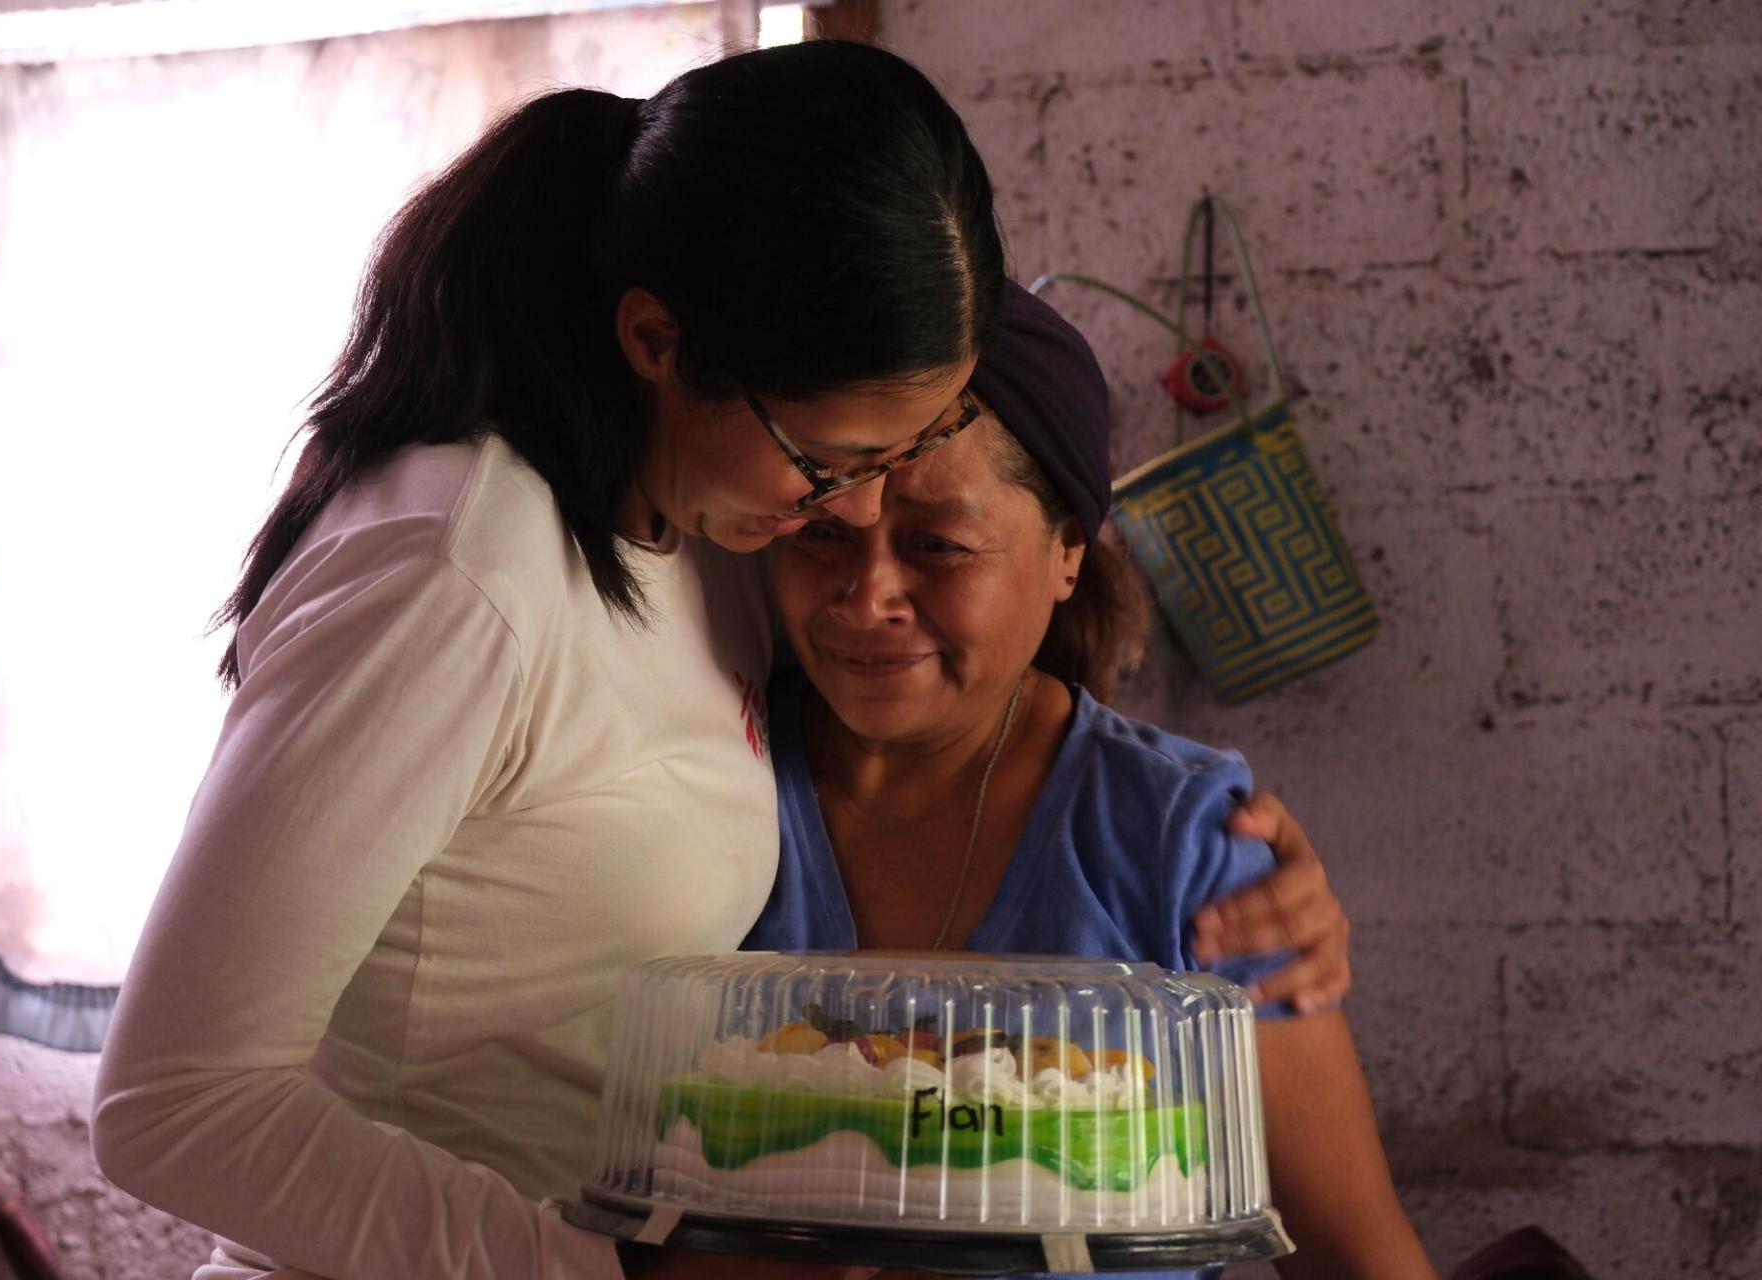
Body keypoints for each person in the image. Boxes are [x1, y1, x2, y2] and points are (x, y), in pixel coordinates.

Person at [92, 41, 1350, 1280]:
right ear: (657, 341)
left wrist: (1230, 856)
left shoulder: (702, 532)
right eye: (829, 464)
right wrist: (603, 1272)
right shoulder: (462, 569)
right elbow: (175, 1101)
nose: (841, 521)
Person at [745, 280, 1437, 1280]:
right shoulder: (706, 788)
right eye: (821, 530)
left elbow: (1358, 1257)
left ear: (1067, 549)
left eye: (939, 544)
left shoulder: (1182, 845)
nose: (869, 592)